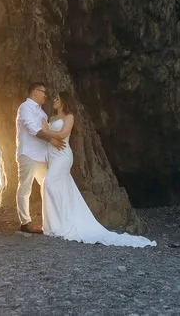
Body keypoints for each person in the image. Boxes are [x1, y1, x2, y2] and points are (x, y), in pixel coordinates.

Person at [41, 91, 156, 247]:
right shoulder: (51, 118)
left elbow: (63, 134)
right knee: (59, 187)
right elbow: (45, 134)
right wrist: (47, 133)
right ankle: (56, 223)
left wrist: (46, 132)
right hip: (52, 156)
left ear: (63, 101)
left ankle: (63, 223)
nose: (53, 100)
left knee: (49, 183)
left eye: (57, 98)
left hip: (62, 155)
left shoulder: (69, 117)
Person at [15, 82, 64, 234]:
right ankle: (25, 222)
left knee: (47, 187)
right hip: (28, 153)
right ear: (35, 92)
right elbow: (32, 129)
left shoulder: (42, 113)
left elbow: (46, 130)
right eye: (43, 92)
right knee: (25, 187)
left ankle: (50, 221)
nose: (46, 96)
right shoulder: (25, 107)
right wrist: (51, 139)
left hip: (42, 156)